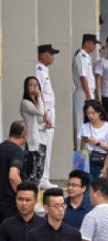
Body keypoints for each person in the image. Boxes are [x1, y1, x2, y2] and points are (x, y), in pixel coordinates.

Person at [35, 44, 59, 189]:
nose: (53, 57)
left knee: (48, 143)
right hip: (45, 110)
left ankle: (45, 176)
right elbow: (39, 94)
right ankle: (42, 177)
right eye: (51, 53)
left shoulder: (44, 69)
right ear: (43, 54)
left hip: (49, 109)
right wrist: (44, 113)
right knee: (44, 143)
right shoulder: (38, 70)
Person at [78, 101, 108, 181]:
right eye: (88, 113)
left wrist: (98, 143)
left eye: (93, 113)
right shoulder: (84, 127)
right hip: (87, 160)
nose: (90, 116)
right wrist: (83, 141)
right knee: (88, 187)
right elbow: (80, 148)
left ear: (99, 112)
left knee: (100, 187)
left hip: (102, 160)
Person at [19, 77, 48, 185]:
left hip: (40, 139)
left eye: (36, 85)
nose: (34, 87)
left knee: (39, 170)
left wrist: (46, 125)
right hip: (31, 140)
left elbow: (40, 121)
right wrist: (40, 97)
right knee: (32, 170)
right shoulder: (25, 103)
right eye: (31, 85)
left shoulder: (37, 102)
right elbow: (40, 112)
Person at [72, 34, 98, 137]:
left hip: (87, 91)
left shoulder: (86, 56)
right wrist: (87, 95)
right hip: (83, 92)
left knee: (90, 119)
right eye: (93, 44)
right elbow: (83, 77)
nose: (94, 47)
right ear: (87, 43)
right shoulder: (81, 56)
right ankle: (80, 147)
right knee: (81, 119)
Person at [0, 122, 26, 222]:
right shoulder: (17, 151)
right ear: (24, 134)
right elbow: (13, 176)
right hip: (10, 204)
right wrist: (23, 195)